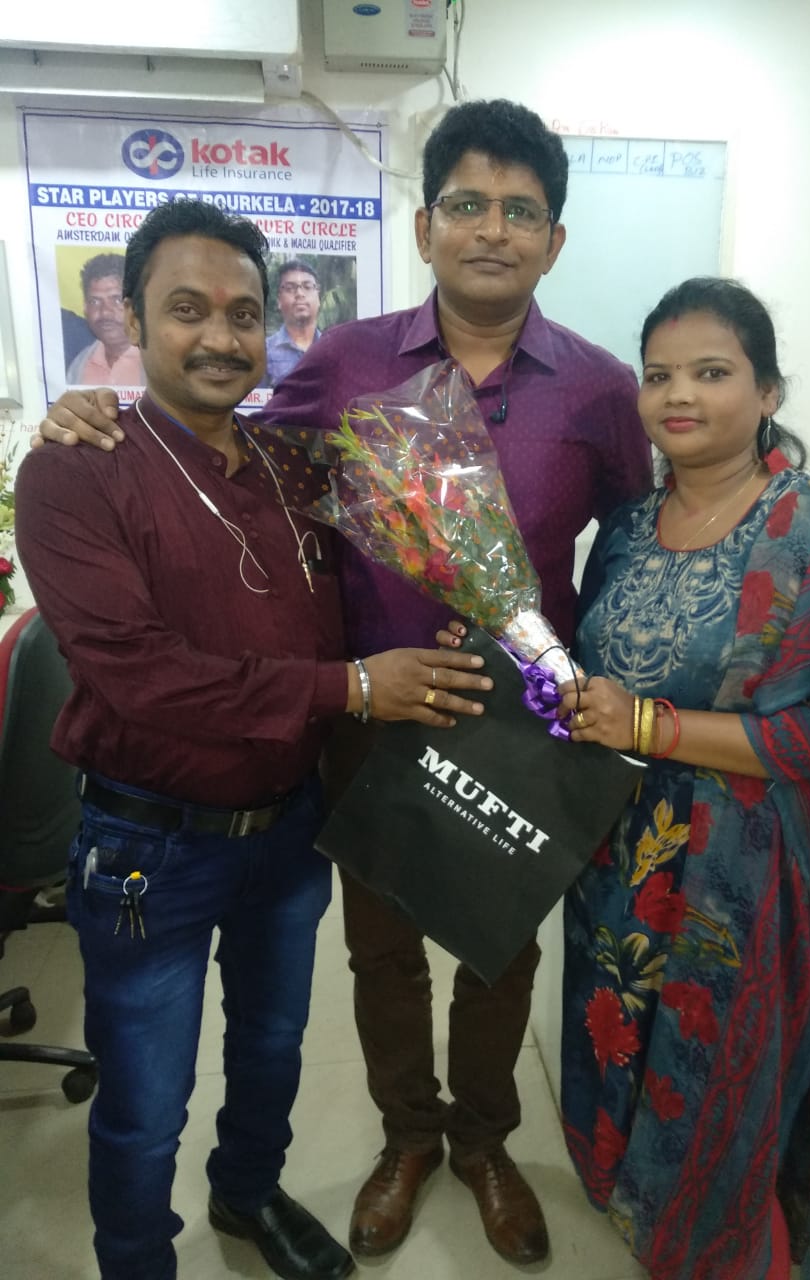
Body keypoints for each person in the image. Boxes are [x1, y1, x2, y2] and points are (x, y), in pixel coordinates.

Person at [34, 99, 652, 1267]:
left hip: (524, 725)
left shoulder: (601, 388)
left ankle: (484, 1142)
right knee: (381, 956)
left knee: (500, 955)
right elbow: (222, 443)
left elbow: (632, 542)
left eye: (521, 211)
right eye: (466, 203)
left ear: (554, 240)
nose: (492, 229)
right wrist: (96, 406)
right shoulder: (346, 363)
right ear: (424, 226)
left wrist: (602, 687)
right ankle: (407, 1135)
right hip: (368, 714)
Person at [15, 200, 492, 1280]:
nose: (220, 336)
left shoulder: (289, 465)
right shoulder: (76, 470)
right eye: (187, 309)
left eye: (242, 313)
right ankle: (138, 1258)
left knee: (272, 1052)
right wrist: (354, 686)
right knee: (146, 1101)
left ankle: (247, 1193)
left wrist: (458, 621)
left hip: (288, 830)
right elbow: (139, 674)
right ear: (135, 318)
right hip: (151, 845)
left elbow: (383, 565)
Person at [555, 277, 810, 1279]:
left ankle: (718, 1247)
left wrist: (652, 724)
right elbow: (594, 672)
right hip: (617, 852)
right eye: (659, 374)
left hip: (746, 867)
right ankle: (641, 1211)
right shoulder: (626, 526)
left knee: (722, 1077)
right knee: (618, 1038)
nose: (679, 394)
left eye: (711, 372)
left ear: (767, 392)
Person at [66, 253, 144, 386]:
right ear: (85, 308)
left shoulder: (160, 364)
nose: (105, 312)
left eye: (117, 300)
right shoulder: (79, 366)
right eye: (95, 301)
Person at [266, 258, 323, 387]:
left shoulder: (332, 349)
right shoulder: (264, 352)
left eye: (307, 287)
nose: (299, 293)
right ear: (279, 300)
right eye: (290, 288)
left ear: (318, 298)